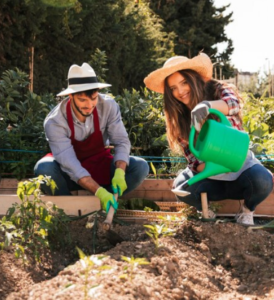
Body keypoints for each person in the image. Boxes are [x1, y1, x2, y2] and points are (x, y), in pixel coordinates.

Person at [144, 53, 273, 225]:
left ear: (193, 78)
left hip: (241, 171)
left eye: (183, 83)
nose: (180, 91)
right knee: (182, 186)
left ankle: (247, 210)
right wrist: (213, 164)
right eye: (173, 88)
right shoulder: (179, 118)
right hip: (212, 179)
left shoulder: (217, 90)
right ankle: (206, 211)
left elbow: (233, 105)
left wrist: (207, 106)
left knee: (262, 180)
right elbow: (194, 162)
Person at [34, 62, 149, 213]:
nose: (89, 105)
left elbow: (121, 141)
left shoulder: (108, 106)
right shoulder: (55, 122)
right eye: (82, 100)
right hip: (68, 173)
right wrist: (98, 191)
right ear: (71, 96)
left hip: (99, 165)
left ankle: (105, 202)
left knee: (140, 167)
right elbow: (70, 164)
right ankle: (71, 210)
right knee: (44, 168)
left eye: (93, 98)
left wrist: (120, 172)